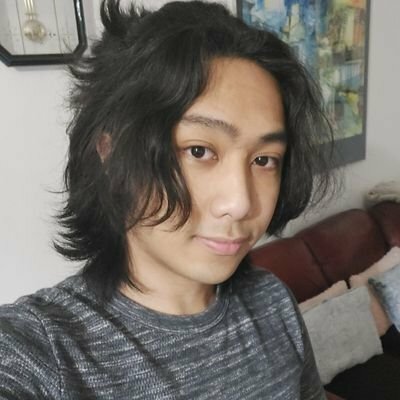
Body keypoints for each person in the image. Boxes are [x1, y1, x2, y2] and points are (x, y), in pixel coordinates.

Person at [0, 1, 334, 398]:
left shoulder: (272, 301)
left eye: (264, 160)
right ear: (110, 151)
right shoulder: (42, 350)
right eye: (199, 151)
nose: (241, 203)